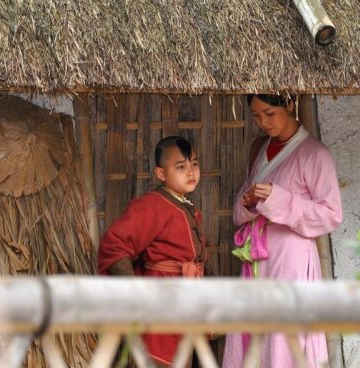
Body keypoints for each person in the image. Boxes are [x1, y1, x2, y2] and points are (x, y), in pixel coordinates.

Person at [222, 94, 343, 368]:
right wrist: (250, 203)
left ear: (289, 104)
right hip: (255, 257)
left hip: (290, 258)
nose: (263, 122)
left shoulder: (315, 154)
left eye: (269, 113)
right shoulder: (259, 149)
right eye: (256, 115)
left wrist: (278, 199)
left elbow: (331, 214)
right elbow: (241, 207)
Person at [98, 135, 206, 367]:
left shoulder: (186, 206)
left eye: (194, 164)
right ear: (161, 173)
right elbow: (114, 244)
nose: (190, 172)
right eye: (180, 167)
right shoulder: (151, 205)